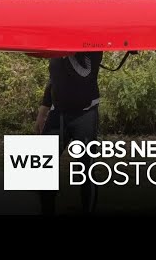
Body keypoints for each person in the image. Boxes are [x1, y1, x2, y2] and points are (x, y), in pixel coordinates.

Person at [34, 51, 103, 215]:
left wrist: (65, 50)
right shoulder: (60, 47)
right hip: (58, 113)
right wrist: (43, 109)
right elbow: (54, 77)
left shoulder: (92, 45)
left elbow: (84, 74)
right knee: (41, 167)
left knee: (86, 171)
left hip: (85, 114)